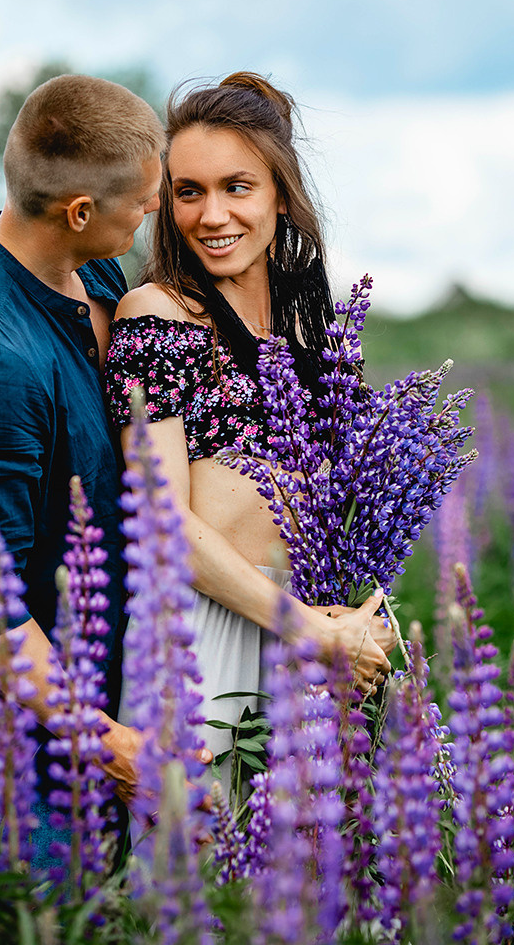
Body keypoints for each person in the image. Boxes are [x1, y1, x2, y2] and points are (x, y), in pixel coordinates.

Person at [0, 74, 170, 863]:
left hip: (118, 696)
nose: (152, 211)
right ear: (79, 211)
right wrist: (111, 745)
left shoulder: (94, 274)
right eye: (142, 201)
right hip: (28, 767)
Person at [105, 72, 395, 778]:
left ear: (279, 195)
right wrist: (307, 630)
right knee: (206, 874)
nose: (211, 214)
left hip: (322, 623)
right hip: (210, 632)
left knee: (327, 875)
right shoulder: (158, 316)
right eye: (188, 191)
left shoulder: (311, 321)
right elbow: (160, 521)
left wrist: (362, 614)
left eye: (237, 186)